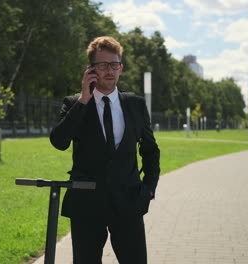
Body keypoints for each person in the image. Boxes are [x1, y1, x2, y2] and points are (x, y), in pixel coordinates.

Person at [50, 36, 160, 264]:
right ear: (91, 70)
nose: (109, 71)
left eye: (114, 65)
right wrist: (83, 99)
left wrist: (148, 189)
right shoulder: (74, 104)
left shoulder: (135, 104)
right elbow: (59, 141)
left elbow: (150, 150)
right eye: (103, 65)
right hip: (87, 205)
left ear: (120, 68)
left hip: (129, 202)